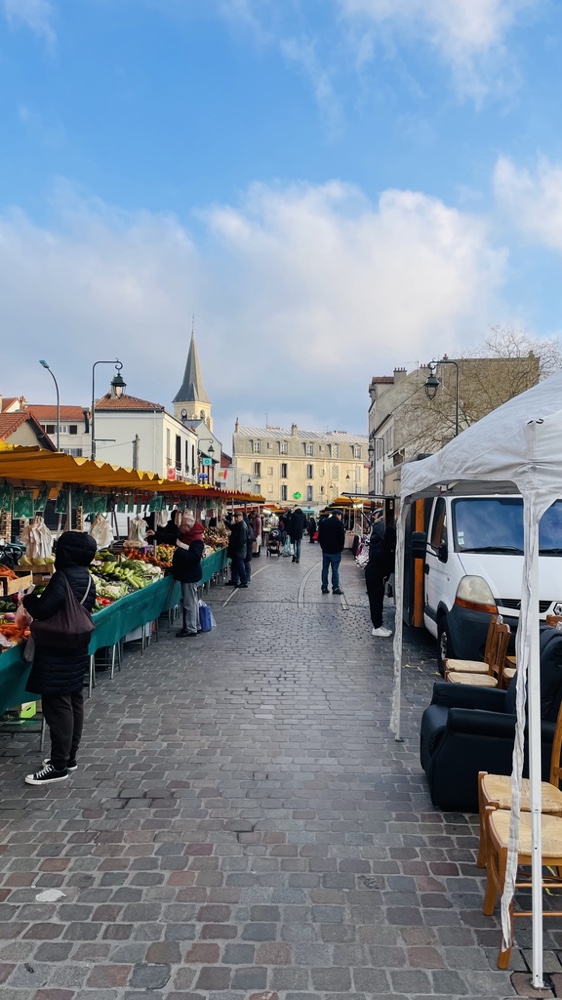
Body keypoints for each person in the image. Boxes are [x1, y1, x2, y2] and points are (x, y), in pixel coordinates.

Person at [22, 531, 97, 786]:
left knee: (57, 706)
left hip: (56, 649)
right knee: (73, 700)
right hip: (76, 646)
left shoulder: (62, 577)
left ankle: (58, 766)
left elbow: (43, 609)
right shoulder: (87, 577)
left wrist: (27, 598)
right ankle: (69, 757)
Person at [172, 516, 205, 637]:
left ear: (188, 527)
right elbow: (174, 539)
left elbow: (195, 558)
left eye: (182, 525)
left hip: (189, 574)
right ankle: (196, 625)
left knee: (189, 602)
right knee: (193, 601)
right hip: (188, 573)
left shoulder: (196, 540)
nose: (180, 527)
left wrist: (179, 552)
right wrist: (156, 534)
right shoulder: (187, 537)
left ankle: (190, 628)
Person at [365, 512, 396, 638]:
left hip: (375, 573)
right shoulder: (380, 541)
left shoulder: (377, 537)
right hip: (374, 573)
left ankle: (378, 625)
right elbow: (378, 556)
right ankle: (377, 627)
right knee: (376, 601)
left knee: (378, 601)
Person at [318, 508, 345, 594]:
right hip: (336, 551)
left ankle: (324, 587)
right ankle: (335, 587)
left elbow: (320, 536)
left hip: (325, 550)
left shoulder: (324, 522)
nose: (341, 517)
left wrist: (323, 546)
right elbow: (342, 538)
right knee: (335, 570)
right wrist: (340, 548)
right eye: (340, 515)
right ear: (337, 515)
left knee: (325, 569)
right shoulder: (339, 524)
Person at [225, 511, 249, 588]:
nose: (235, 519)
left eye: (237, 517)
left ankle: (244, 581)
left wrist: (235, 546)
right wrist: (225, 521)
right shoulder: (239, 524)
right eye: (235, 517)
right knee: (234, 565)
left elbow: (241, 540)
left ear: (241, 517)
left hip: (239, 550)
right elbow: (232, 527)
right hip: (238, 550)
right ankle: (234, 579)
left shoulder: (242, 526)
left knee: (239, 565)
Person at [243, 513, 255, 583]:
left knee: (246, 563)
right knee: (247, 563)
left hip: (247, 548)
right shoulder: (249, 527)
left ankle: (247, 577)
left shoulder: (247, 528)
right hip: (248, 548)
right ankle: (247, 577)